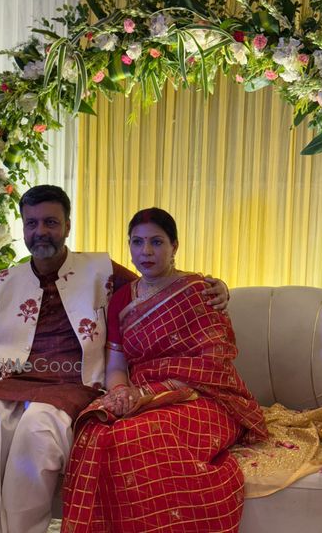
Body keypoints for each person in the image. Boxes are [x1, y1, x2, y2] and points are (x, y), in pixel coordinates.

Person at [0, 186, 229, 533]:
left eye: (51, 222)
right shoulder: (6, 282)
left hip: (73, 387)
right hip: (12, 384)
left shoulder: (100, 270)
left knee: (37, 430)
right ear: (23, 228)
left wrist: (216, 287)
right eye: (32, 223)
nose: (40, 231)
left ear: (67, 226)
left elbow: (154, 288)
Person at [61, 207, 268, 533]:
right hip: (144, 397)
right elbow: (116, 365)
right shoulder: (122, 299)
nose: (145, 251)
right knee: (96, 431)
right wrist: (120, 392)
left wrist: (152, 392)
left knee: (139, 436)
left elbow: (214, 364)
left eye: (156, 242)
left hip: (204, 398)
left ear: (175, 247)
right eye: (137, 242)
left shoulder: (199, 291)